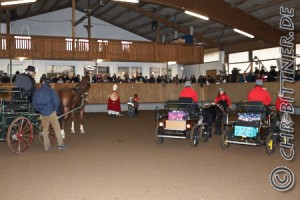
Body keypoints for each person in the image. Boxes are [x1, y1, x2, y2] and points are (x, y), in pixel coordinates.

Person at [32, 79, 66, 151]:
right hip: (51, 112)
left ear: (43, 83)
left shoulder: (37, 91)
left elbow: (34, 102)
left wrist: (39, 110)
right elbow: (56, 101)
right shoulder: (51, 91)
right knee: (57, 128)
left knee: (45, 129)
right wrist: (55, 110)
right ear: (49, 84)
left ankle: (47, 146)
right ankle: (61, 145)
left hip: (42, 113)